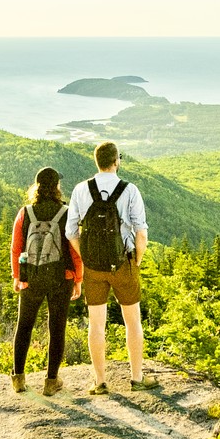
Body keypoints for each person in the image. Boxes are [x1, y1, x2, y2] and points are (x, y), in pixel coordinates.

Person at [66, 141, 152, 394]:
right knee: (132, 322)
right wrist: (136, 260)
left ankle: (100, 382)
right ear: (116, 161)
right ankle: (137, 378)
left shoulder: (81, 189)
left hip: (93, 266)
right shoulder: (129, 190)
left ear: (97, 162)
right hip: (124, 262)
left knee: (96, 325)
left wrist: (86, 256)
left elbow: (71, 232)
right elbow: (141, 232)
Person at [8, 166, 81, 396]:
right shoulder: (66, 213)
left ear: (37, 187)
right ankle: (51, 381)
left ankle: (18, 379)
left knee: (24, 326)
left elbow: (16, 248)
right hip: (61, 277)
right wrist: (78, 279)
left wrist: (17, 277)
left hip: (32, 277)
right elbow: (75, 250)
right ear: (57, 186)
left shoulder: (25, 213)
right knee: (57, 328)